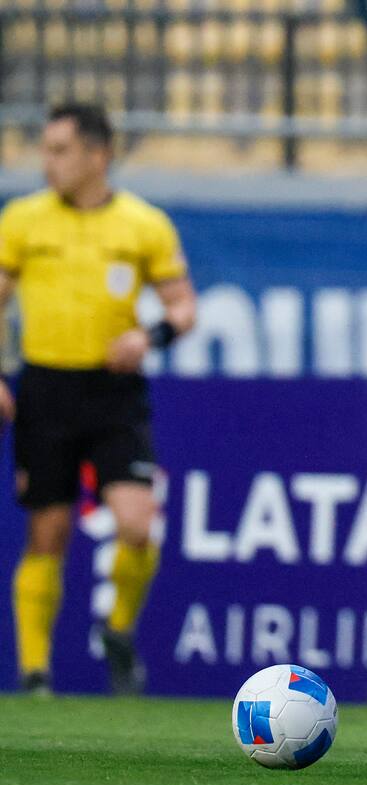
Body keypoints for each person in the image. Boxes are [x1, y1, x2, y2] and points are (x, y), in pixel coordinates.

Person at [0, 103, 197, 695]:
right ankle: (36, 673)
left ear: (98, 155)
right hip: (46, 389)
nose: (48, 162)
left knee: (137, 524)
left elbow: (183, 307)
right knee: (48, 532)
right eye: (46, 149)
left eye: (60, 150)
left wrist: (149, 337)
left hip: (113, 394)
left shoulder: (143, 224)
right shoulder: (23, 220)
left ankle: (118, 630)